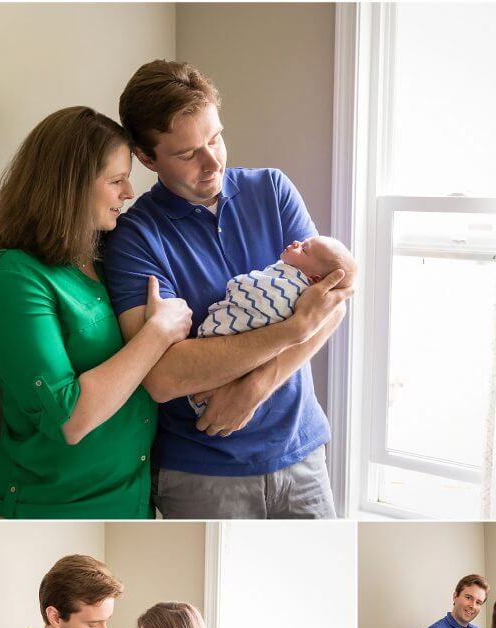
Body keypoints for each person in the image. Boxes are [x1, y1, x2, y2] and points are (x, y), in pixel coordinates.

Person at [102, 61, 355, 520]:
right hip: (203, 473)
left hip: (302, 456)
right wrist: (294, 328)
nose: (213, 161)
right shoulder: (135, 237)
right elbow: (163, 378)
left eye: (215, 137)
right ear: (146, 157)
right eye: (187, 153)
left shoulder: (273, 191)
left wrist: (257, 385)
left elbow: (334, 299)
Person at [0, 107, 192, 518]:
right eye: (116, 180)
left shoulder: (109, 261)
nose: (129, 192)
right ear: (69, 187)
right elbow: (68, 418)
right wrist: (158, 333)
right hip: (47, 508)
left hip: (131, 503)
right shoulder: (12, 279)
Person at [189, 234, 356, 416]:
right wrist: (299, 326)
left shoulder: (292, 287)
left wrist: (258, 383)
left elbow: (336, 305)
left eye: (304, 249)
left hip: (294, 425)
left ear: (314, 279)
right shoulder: (289, 270)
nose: (296, 243)